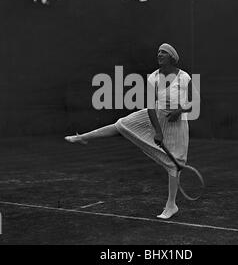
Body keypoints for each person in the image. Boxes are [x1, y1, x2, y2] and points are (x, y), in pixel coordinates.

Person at [65, 43, 200, 219]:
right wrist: (157, 131)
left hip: (177, 124)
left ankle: (171, 205)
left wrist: (179, 110)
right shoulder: (153, 77)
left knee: (174, 165)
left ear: (172, 57)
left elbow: (195, 101)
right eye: (158, 52)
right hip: (156, 116)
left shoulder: (184, 77)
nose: (159, 54)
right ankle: (82, 137)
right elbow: (151, 107)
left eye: (163, 52)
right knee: (122, 125)